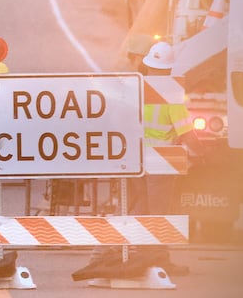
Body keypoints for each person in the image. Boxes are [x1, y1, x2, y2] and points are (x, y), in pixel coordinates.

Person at [73, 41, 201, 280]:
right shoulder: (171, 92)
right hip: (160, 163)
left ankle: (116, 252)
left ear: (149, 65)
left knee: (136, 208)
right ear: (169, 69)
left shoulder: (135, 89)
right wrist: (202, 154)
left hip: (133, 160)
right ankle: (156, 259)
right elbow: (186, 132)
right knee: (158, 214)